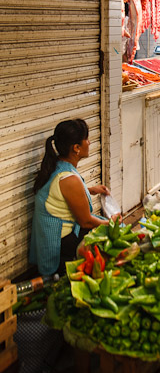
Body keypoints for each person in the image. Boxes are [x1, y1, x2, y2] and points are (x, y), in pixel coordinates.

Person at [30, 118, 121, 276]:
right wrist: (110, 223)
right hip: (59, 244)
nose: (90, 142)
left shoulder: (57, 165)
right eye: (86, 139)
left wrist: (91, 189)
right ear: (76, 148)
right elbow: (85, 221)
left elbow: (62, 193)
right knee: (108, 246)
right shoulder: (69, 179)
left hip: (51, 236)